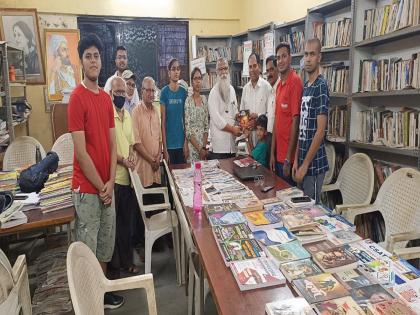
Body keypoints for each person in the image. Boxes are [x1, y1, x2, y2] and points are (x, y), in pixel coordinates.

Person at [68, 34, 123, 309]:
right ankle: (89, 300)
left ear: (102, 61)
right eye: (88, 56)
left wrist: (111, 182)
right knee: (87, 248)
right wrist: (102, 185)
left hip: (105, 188)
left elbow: (113, 145)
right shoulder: (76, 99)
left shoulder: (105, 99)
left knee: (104, 244)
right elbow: (81, 152)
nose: (93, 60)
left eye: (96, 56)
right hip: (88, 190)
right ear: (81, 61)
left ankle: (100, 292)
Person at [108, 76, 140, 277]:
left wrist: (132, 157)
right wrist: (122, 160)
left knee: (126, 225)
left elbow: (131, 143)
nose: (120, 95)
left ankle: (127, 262)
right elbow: (107, 148)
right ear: (111, 93)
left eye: (123, 92)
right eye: (117, 92)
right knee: (114, 227)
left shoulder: (127, 115)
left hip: (128, 178)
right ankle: (115, 267)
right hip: (113, 178)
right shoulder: (106, 114)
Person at [292, 38, 329, 203]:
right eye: (306, 54)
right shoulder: (306, 86)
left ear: (319, 57)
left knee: (312, 211)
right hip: (301, 163)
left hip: (313, 167)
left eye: (312, 54)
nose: (308, 58)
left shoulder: (321, 85)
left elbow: (320, 131)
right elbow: (302, 126)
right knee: (300, 211)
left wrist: (305, 164)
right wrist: (295, 160)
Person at [270, 42, 303, 186]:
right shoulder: (279, 86)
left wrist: (289, 159)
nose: (281, 61)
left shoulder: (295, 82)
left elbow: (296, 121)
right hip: (278, 156)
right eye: (278, 58)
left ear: (290, 58)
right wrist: (272, 153)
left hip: (288, 160)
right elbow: (277, 121)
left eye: (284, 56)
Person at [208, 57, 241, 159]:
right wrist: (232, 129)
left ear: (229, 69)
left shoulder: (232, 90)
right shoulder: (213, 93)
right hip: (219, 147)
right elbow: (217, 120)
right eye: (220, 69)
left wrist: (241, 118)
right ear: (217, 71)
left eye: (225, 68)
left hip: (232, 144)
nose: (223, 72)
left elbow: (235, 111)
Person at [132, 77, 162, 189]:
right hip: (144, 172)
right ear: (142, 91)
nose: (151, 94)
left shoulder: (156, 111)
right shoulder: (136, 112)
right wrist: (151, 160)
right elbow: (136, 143)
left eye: (153, 90)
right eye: (148, 90)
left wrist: (158, 156)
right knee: (145, 204)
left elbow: (160, 139)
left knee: (159, 205)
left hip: (156, 171)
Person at [160, 58, 188, 165]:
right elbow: (162, 123)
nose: (176, 72)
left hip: (181, 144)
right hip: (169, 145)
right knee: (170, 179)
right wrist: (165, 149)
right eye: (173, 69)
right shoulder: (164, 92)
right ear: (169, 73)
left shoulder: (183, 92)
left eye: (178, 69)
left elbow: (186, 120)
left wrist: (185, 143)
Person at [240, 52, 271, 144]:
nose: (252, 69)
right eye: (250, 67)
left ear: (259, 67)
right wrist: (245, 126)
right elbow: (242, 114)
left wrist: (257, 121)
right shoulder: (245, 89)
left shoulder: (267, 87)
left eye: (254, 66)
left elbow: (271, 114)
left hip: (264, 142)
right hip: (248, 140)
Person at [185, 67, 209, 162]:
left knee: (204, 176)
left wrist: (203, 147)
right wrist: (199, 149)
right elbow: (188, 131)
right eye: (195, 79)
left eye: (199, 78)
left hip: (203, 148)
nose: (198, 81)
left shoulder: (204, 99)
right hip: (192, 149)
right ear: (192, 82)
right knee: (193, 176)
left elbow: (206, 126)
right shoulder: (188, 101)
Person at [265, 55, 280, 134]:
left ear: (277, 69)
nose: (269, 74)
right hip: (270, 138)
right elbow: (270, 116)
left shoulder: (281, 89)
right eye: (267, 71)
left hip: (280, 138)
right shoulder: (270, 90)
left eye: (271, 70)